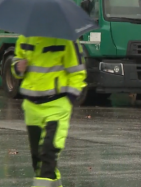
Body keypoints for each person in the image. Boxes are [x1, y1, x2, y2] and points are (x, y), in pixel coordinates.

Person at [11, 35, 86, 187]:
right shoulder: (25, 38)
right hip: (32, 107)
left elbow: (78, 71)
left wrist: (70, 98)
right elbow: (15, 61)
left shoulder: (67, 39)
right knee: (37, 158)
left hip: (57, 106)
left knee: (48, 153)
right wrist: (18, 67)